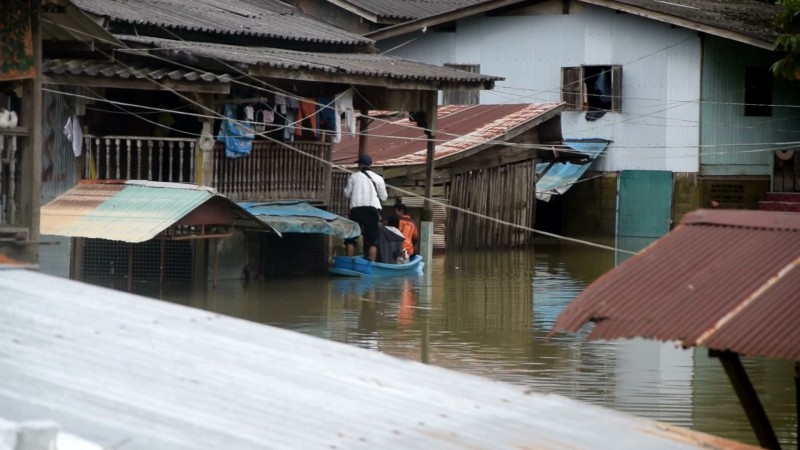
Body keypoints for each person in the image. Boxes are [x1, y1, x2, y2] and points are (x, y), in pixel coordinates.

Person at [344, 154, 388, 261]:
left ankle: (349, 261)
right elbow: (384, 197)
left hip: (356, 210)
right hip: (372, 211)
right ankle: (371, 265)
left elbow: (346, 194)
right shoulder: (378, 178)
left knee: (351, 237)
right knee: (372, 240)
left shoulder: (353, 177)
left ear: (360, 165)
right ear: (370, 165)